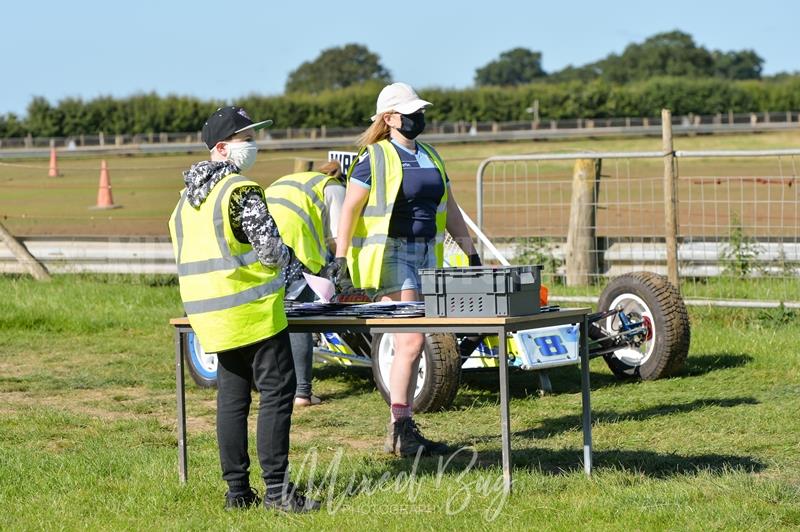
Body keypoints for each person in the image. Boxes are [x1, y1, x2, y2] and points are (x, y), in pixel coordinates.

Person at [167, 106, 319, 512]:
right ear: (221, 148)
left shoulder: (185, 200)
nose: (253, 145)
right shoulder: (240, 190)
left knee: (232, 400)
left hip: (209, 316)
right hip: (252, 312)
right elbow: (269, 251)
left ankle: (237, 492)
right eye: (245, 138)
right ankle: (277, 491)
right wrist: (297, 264)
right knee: (277, 391)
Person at [332, 83, 481, 456]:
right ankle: (401, 427)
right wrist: (341, 256)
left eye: (419, 112)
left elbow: (451, 207)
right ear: (389, 118)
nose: (419, 118)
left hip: (428, 255)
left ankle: (401, 429)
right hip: (392, 255)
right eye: (410, 113)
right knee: (412, 341)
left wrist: (469, 251)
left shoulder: (431, 154)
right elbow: (350, 208)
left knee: (414, 343)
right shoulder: (374, 157)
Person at [264, 160, 346, 407]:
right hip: (293, 244)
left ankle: (272, 384)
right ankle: (302, 393)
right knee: (299, 312)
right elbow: (337, 238)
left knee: (276, 312)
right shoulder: (334, 187)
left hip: (263, 241)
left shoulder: (292, 180)